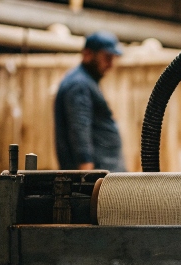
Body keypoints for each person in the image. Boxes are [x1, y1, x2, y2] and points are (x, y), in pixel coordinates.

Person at [54, 31, 127, 172]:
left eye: (113, 58)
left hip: (105, 173)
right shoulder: (79, 84)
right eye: (107, 57)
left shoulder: (84, 82)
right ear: (88, 54)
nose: (111, 64)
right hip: (99, 176)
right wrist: (86, 175)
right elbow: (79, 128)